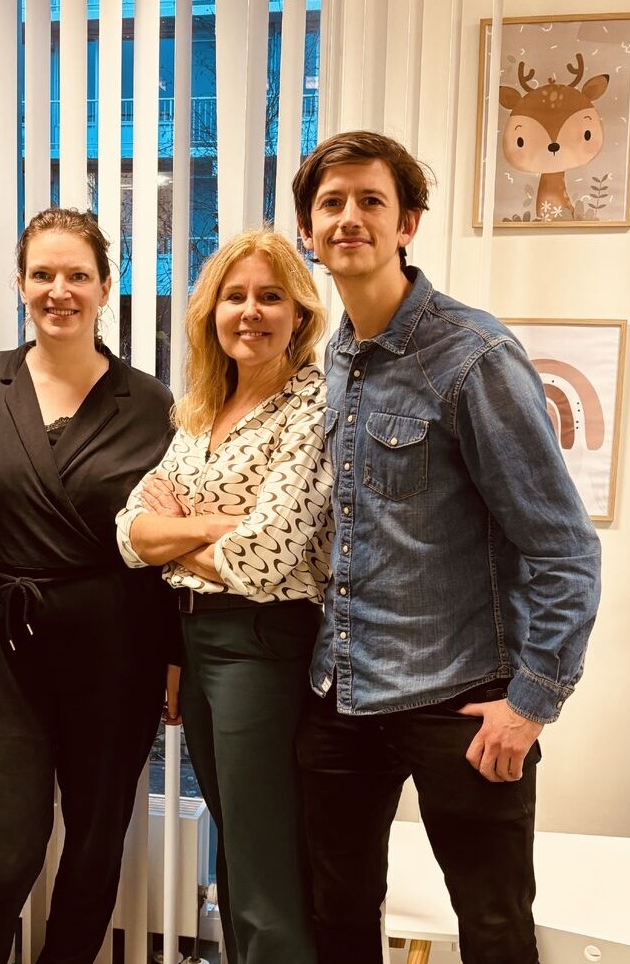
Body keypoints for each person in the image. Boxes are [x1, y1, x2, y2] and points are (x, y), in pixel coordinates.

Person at [291, 130, 602, 964]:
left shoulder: (473, 356)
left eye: (371, 201)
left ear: (408, 224)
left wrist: (531, 702)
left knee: (493, 927)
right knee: (336, 916)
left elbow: (565, 549)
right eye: (331, 203)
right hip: (341, 694)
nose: (349, 217)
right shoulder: (337, 356)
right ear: (307, 232)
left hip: (459, 699)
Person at [0, 207, 181, 964]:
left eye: (77, 275)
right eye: (43, 274)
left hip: (117, 645)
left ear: (106, 286)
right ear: (20, 283)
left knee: (96, 842)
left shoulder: (153, 403)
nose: (59, 291)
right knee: (1, 852)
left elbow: (165, 541)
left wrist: (177, 655)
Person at [116, 229, 332, 964]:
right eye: (234, 296)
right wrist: (214, 528)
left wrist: (176, 533)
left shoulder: (312, 406)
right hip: (198, 637)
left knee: (264, 858)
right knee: (235, 845)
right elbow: (129, 531)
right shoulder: (203, 409)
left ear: (299, 314)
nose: (251, 311)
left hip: (261, 643)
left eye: (270, 296)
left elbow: (265, 558)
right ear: (211, 312)